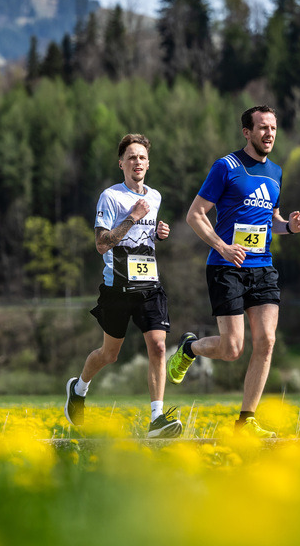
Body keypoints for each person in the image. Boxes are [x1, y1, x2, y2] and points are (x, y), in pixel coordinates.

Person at [166, 105, 300, 438]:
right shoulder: (226, 167)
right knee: (232, 349)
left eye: (273, 128)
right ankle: (189, 349)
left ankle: (246, 420)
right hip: (226, 268)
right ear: (247, 132)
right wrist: (222, 246)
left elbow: (273, 221)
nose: (269, 134)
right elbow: (195, 214)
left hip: (262, 267)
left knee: (267, 340)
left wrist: (291, 226)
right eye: (262, 128)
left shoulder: (275, 172)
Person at [64, 134, 183, 438]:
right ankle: (78, 390)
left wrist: (158, 232)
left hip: (149, 285)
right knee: (109, 355)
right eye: (131, 157)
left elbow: (144, 236)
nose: (137, 162)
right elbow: (102, 245)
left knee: (158, 347)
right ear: (121, 164)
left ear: (148, 162)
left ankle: (157, 418)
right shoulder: (111, 197)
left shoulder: (155, 197)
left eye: (142, 157)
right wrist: (132, 218)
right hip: (117, 287)